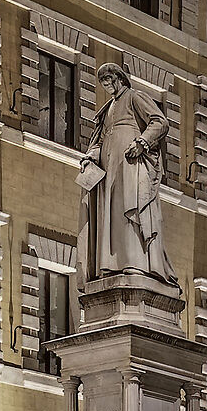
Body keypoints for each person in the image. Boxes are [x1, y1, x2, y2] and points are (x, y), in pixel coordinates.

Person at [81, 61, 175, 283]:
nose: (106, 85)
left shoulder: (134, 97)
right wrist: (90, 156)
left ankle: (135, 262)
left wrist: (142, 142)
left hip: (130, 164)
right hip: (109, 168)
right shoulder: (107, 110)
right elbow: (100, 139)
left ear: (119, 79)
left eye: (108, 80)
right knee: (109, 214)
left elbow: (160, 122)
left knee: (129, 209)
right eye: (103, 82)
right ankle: (112, 263)